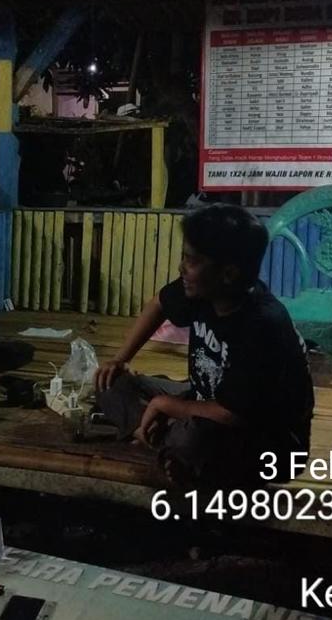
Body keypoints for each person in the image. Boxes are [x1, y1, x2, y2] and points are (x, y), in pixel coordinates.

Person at [94, 204, 313, 485]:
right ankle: (162, 440)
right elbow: (158, 304)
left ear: (228, 273)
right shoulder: (204, 289)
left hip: (268, 442)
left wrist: (163, 404)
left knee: (193, 438)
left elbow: (233, 413)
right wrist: (120, 359)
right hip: (204, 399)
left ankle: (165, 441)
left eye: (192, 260)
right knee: (109, 382)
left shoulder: (262, 324)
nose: (181, 267)